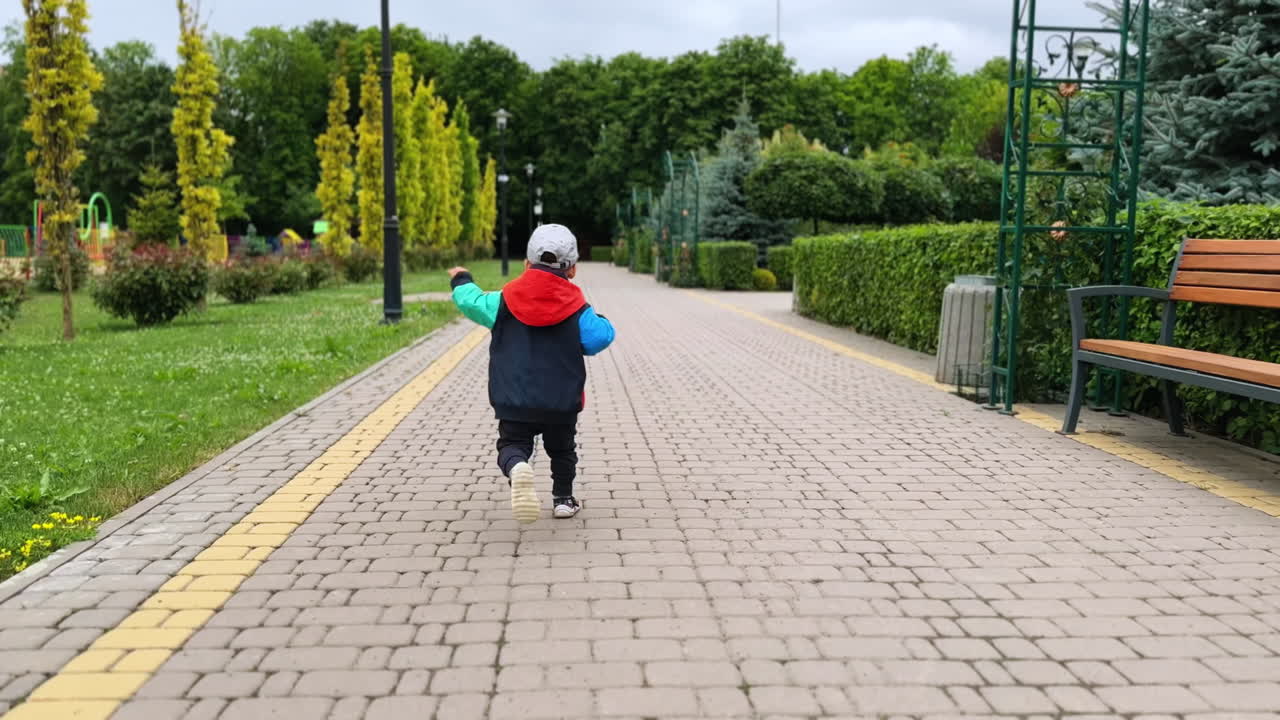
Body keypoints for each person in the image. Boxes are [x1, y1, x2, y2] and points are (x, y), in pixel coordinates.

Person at [448, 224, 615, 523]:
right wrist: (601, 319)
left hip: (514, 398)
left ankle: (517, 468)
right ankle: (563, 499)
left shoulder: (502, 300)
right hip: (560, 401)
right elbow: (598, 338)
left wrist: (462, 279)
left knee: (512, 445)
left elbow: (470, 301)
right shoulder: (576, 307)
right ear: (573, 270)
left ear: (526, 264)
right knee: (563, 450)